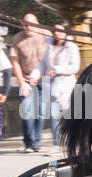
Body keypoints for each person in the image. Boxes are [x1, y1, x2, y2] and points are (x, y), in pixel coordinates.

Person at [40, 22, 81, 151]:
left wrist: (57, 69)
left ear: (66, 33)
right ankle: (57, 144)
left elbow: (75, 67)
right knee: (54, 115)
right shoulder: (50, 46)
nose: (57, 33)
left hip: (66, 84)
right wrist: (34, 75)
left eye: (60, 31)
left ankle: (75, 142)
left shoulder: (72, 47)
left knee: (70, 115)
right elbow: (43, 64)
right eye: (55, 30)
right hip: (52, 84)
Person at [10, 13, 47, 152]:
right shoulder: (18, 38)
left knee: (41, 113)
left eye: (31, 24)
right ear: (21, 24)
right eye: (25, 24)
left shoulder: (46, 36)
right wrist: (21, 83)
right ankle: (29, 143)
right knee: (27, 112)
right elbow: (15, 62)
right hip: (26, 80)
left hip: (44, 80)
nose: (28, 27)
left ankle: (36, 142)